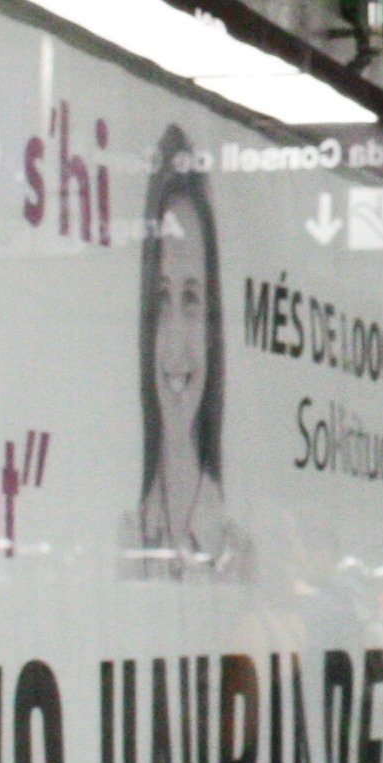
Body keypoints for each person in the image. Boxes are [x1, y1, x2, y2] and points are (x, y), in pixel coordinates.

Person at [125, 128, 251, 581]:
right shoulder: (124, 545)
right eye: (161, 299)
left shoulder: (240, 559)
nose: (176, 341)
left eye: (192, 299)